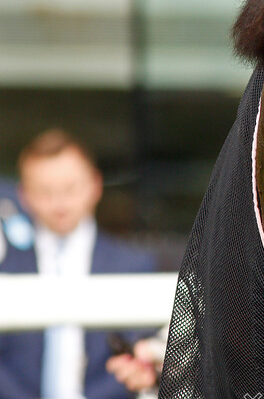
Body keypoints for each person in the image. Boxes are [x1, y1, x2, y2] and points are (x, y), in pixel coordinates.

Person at [0, 129, 157, 399]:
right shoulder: (6, 270)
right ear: (23, 195)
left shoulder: (133, 265)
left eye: (70, 188)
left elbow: (144, 356)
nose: (59, 202)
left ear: (95, 185)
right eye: (44, 191)